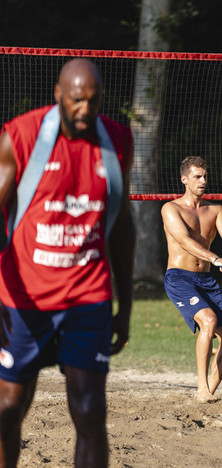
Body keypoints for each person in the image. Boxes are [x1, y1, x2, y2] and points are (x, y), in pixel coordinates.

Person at [0, 59, 135, 468]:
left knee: (91, 410)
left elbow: (122, 228)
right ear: (59, 95)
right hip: (24, 297)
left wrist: (124, 307)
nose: (84, 110)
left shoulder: (116, 141)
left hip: (87, 296)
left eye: (93, 102)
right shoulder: (20, 137)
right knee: (8, 408)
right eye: (76, 100)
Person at [162, 156, 222, 403]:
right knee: (208, 320)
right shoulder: (171, 208)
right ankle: (201, 387)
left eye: (205, 176)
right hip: (179, 278)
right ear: (184, 180)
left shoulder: (216, 210)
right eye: (197, 177)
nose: (203, 181)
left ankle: (208, 391)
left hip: (206, 279)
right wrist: (216, 258)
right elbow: (184, 241)